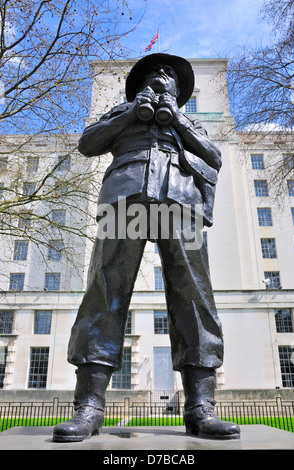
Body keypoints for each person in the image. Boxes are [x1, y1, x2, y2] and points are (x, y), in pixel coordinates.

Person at [53, 53, 240, 442]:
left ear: (179, 89)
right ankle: (89, 406)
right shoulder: (123, 109)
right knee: (105, 292)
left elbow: (215, 157)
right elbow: (88, 143)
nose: (161, 76)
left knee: (194, 296)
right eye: (154, 72)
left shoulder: (190, 120)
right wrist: (130, 116)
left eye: (169, 74)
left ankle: (200, 407)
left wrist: (179, 122)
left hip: (181, 201)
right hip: (126, 197)